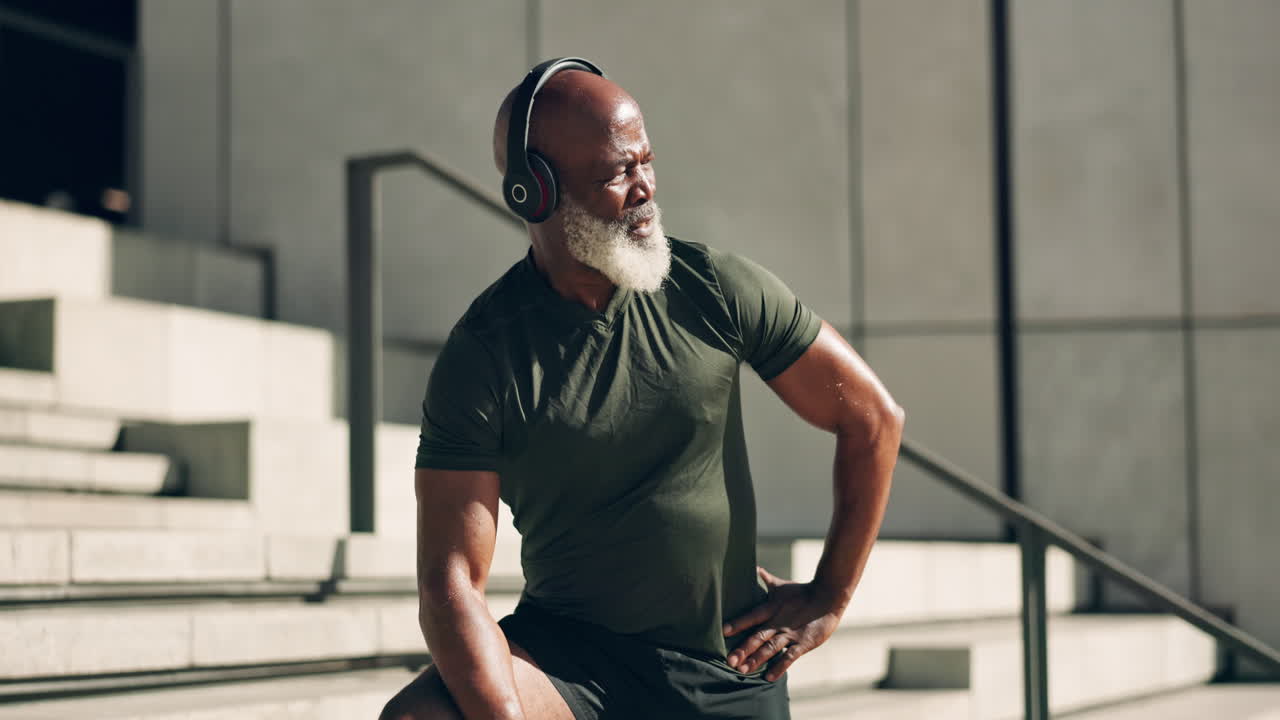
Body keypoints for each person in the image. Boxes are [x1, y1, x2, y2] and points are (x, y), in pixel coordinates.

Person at [380, 60, 904, 720]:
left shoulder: (714, 287)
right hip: (570, 659)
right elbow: (451, 579)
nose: (644, 188)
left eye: (646, 162)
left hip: (725, 661)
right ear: (535, 193)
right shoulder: (484, 354)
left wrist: (830, 595)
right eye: (615, 173)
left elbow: (873, 419)